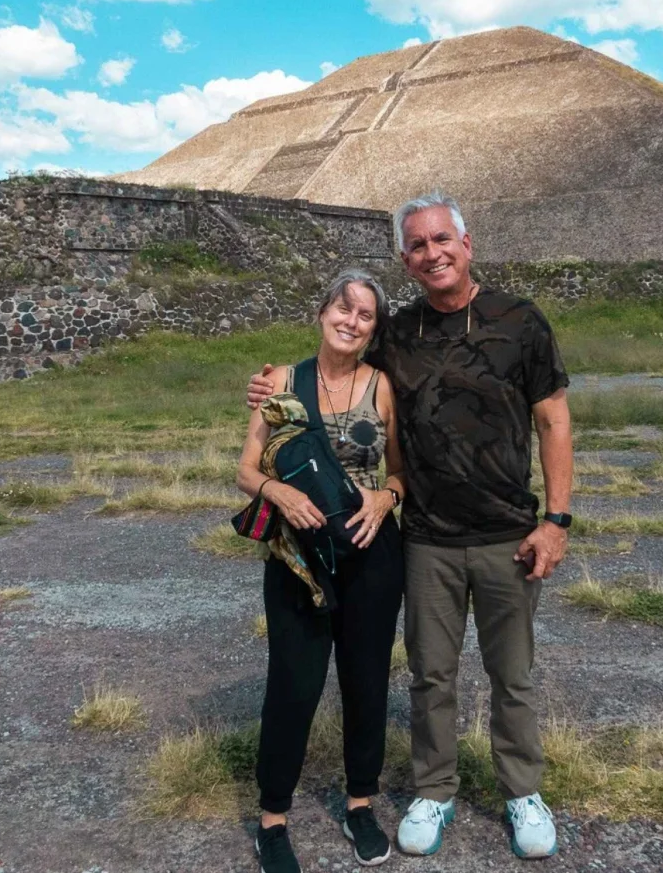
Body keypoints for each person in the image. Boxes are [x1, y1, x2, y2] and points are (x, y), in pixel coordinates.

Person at [247, 191, 572, 861]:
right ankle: (433, 788)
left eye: (441, 240)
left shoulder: (521, 321)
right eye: (418, 245)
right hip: (426, 538)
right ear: (406, 257)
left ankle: (522, 791)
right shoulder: (400, 331)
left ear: (467, 241)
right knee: (430, 675)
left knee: (512, 674)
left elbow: (553, 419)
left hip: (509, 530)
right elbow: (333, 360)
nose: (432, 253)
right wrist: (268, 386)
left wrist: (556, 519)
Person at [236, 269, 409, 873]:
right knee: (294, 683)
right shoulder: (281, 381)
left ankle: (360, 804)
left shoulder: (382, 386)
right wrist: (276, 494)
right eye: (344, 308)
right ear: (321, 311)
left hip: (372, 556)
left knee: (366, 683)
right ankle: (273, 820)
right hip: (298, 562)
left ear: (373, 329)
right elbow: (246, 469)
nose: (352, 321)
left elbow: (400, 471)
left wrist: (386, 498)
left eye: (365, 315)